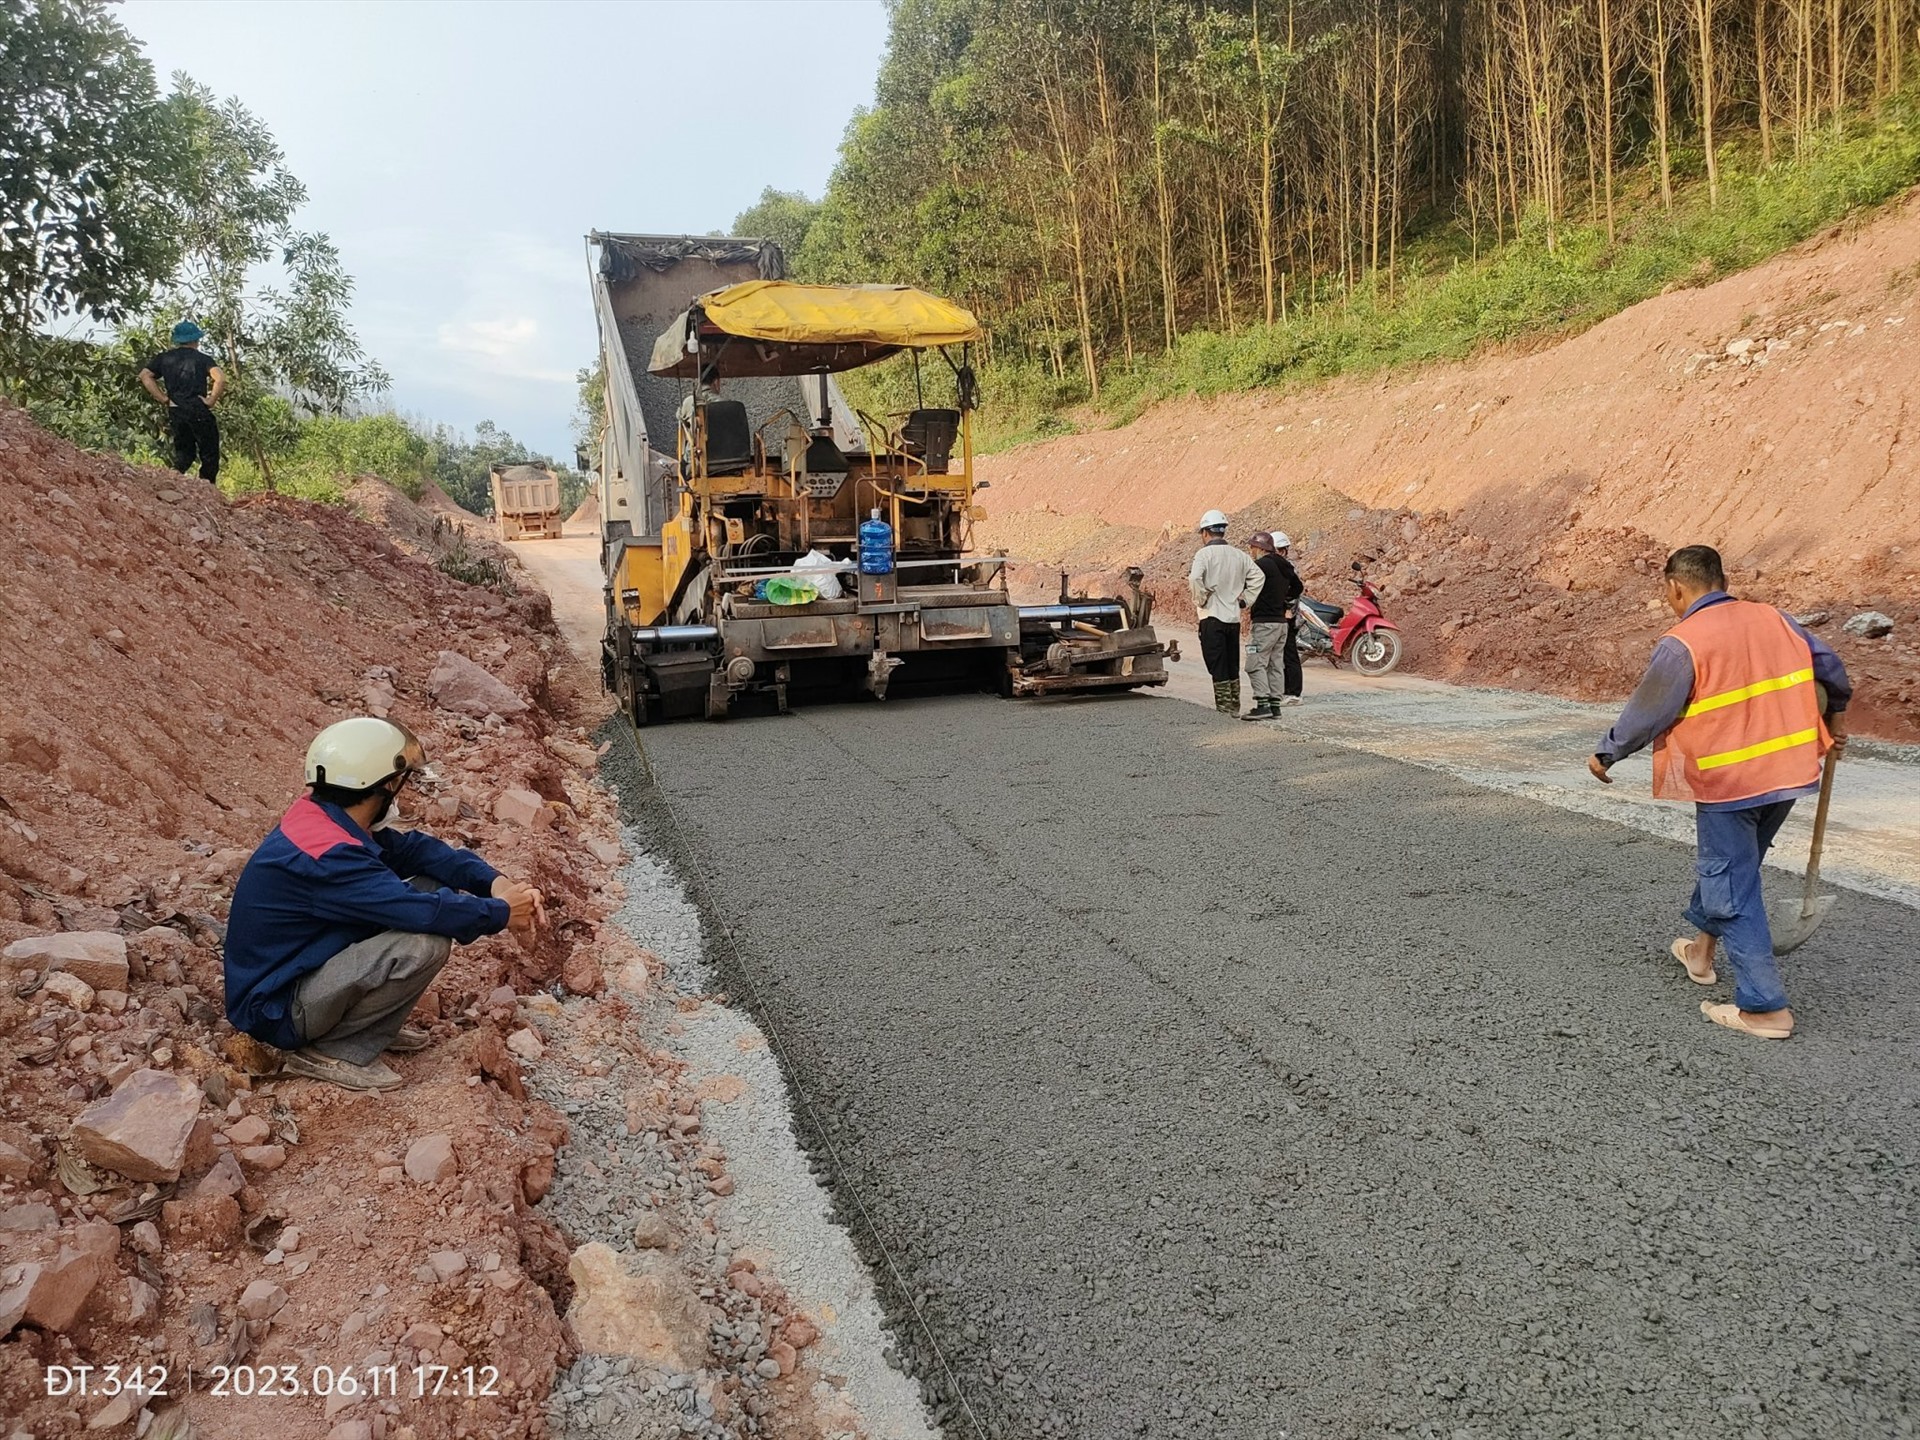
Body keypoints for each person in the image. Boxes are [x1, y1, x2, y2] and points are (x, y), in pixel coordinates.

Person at [1588, 545, 1851, 1041]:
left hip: (1731, 780)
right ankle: (1702, 953)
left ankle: (1765, 1007)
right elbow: (1833, 670)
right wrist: (1835, 718)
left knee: (1729, 881)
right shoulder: (1777, 619)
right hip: (1789, 770)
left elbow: (1649, 710)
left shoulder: (1683, 642)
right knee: (1738, 863)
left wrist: (1607, 753)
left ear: (1675, 587)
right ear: (1721, 580)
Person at [224, 718, 545, 1090]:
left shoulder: (327, 820)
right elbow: (425, 913)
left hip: (300, 967)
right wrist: (503, 913)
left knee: (430, 884)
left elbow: (421, 853)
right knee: (423, 944)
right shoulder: (328, 857)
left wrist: (496, 884)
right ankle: (335, 1048)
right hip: (277, 1008)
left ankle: (370, 1026)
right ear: (386, 785)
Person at [1188, 509, 1264, 715]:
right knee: (1231, 665)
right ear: (1223, 531)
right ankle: (1234, 707)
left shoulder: (1204, 554)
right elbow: (1258, 577)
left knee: (1217, 665)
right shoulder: (1239, 555)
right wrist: (1245, 600)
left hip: (1211, 617)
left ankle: (1223, 709)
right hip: (1232, 618)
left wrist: (1201, 598)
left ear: (1205, 533)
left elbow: (1195, 579)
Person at [139, 321, 225, 484]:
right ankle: (208, 488)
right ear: (196, 340)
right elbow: (220, 378)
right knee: (209, 452)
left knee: (184, 453)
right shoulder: (203, 359)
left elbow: (145, 375)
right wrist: (211, 400)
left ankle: (172, 481)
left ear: (177, 340)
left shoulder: (164, 358)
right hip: (198, 409)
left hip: (176, 410)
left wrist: (163, 398)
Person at [1243, 531, 1304, 720]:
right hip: (1281, 624)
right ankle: (1275, 705)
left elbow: (1244, 585)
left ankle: (1262, 704)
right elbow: (1298, 588)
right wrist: (1283, 601)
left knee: (1254, 661)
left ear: (1261, 548)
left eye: (1253, 547)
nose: (1251, 551)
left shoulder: (1260, 565)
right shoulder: (1284, 566)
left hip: (1264, 624)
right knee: (1276, 664)